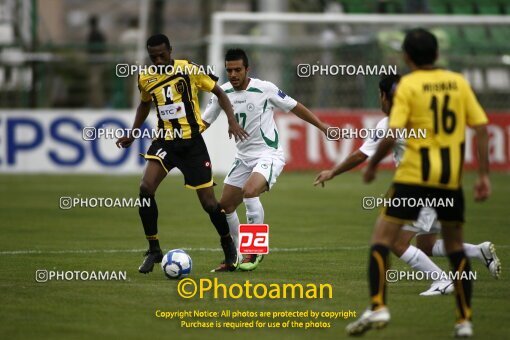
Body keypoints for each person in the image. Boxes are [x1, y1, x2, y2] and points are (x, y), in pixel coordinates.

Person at [345, 28, 491, 337]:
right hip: (449, 180)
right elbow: (481, 129)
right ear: (437, 54)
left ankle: (378, 305)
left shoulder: (409, 86)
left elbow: (391, 134)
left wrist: (371, 166)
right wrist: (483, 176)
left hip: (413, 178)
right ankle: (464, 321)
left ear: (407, 57)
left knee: (383, 240)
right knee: (454, 249)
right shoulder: (458, 83)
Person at [314, 74, 500, 297]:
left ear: (384, 96)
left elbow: (361, 155)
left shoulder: (391, 122)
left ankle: (441, 280)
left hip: (420, 189)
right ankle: (479, 252)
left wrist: (332, 172)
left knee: (394, 240)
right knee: (426, 246)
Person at [115, 34, 249, 274]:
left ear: (170, 50)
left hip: (192, 145)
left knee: (209, 203)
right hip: (165, 142)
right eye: (153, 56)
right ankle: (154, 249)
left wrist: (231, 120)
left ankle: (228, 244)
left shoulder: (188, 69)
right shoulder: (146, 78)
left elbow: (220, 93)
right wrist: (133, 132)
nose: (157, 60)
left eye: (162, 55)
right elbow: (145, 104)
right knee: (146, 188)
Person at [203, 48, 328, 271]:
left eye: (237, 70)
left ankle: (255, 250)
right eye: (229, 70)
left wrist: (321, 126)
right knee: (226, 206)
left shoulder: (265, 88)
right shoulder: (221, 93)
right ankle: (236, 255)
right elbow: (204, 122)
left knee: (250, 191)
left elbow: (295, 107)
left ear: (247, 69)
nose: (233, 74)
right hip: (243, 158)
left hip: (268, 154)